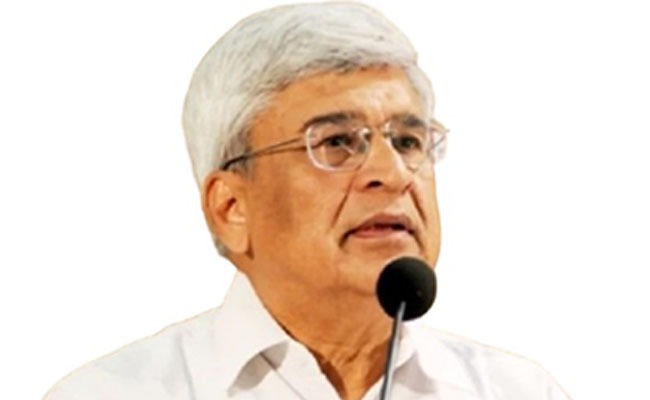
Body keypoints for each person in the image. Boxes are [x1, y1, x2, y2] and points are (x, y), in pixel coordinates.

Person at [44, 2, 570, 399]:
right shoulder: (112, 393)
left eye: (408, 141)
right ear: (231, 209)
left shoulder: (515, 391)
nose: (391, 174)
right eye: (337, 142)